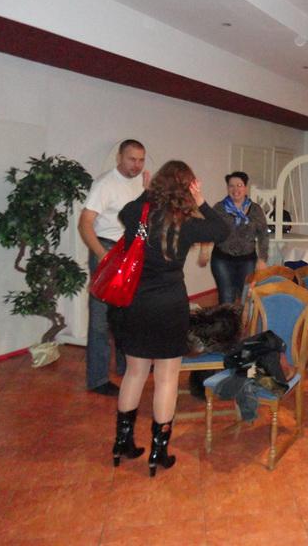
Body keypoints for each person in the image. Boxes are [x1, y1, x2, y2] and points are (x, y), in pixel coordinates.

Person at [109, 161, 228, 476]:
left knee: (135, 373)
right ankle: (158, 452)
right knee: (166, 378)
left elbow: (126, 213)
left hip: (136, 303)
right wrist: (201, 201)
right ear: (186, 188)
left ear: (158, 185)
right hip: (169, 305)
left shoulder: (138, 213)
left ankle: (122, 443)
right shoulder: (186, 223)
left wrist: (146, 193)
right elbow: (222, 230)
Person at [78, 139, 148, 396]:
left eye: (140, 160)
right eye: (132, 159)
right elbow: (85, 223)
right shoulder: (105, 184)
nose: (136, 165)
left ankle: (125, 367)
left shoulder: (141, 182)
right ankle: (97, 379)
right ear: (120, 157)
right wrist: (103, 255)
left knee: (127, 315)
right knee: (100, 319)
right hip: (107, 250)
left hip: (131, 251)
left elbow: (143, 219)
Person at [201, 171, 269, 304]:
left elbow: (263, 234)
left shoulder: (256, 209)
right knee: (226, 297)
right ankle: (226, 319)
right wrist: (204, 250)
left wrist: (262, 259)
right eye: (231, 186)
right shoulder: (219, 208)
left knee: (246, 298)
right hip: (222, 260)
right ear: (227, 188)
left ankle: (242, 319)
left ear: (245, 188)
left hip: (248, 261)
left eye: (239, 185)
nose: (235, 189)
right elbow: (208, 229)